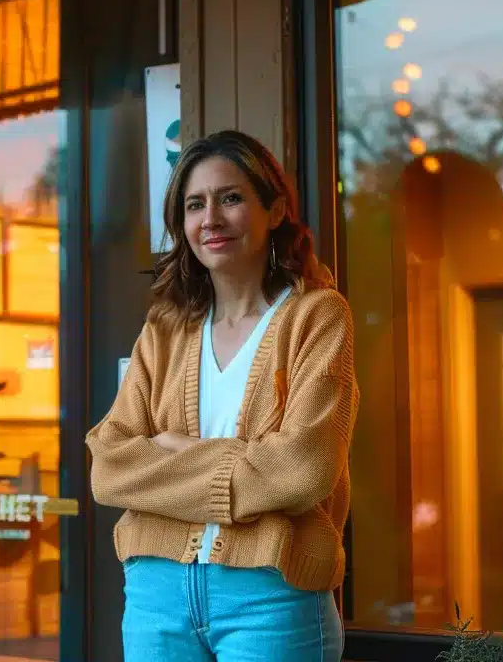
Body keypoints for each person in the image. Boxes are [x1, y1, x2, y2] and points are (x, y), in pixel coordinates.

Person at [86, 129, 357, 661]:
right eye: (194, 204)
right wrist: (249, 461)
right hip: (155, 595)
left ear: (274, 209)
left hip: (268, 597)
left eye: (230, 198)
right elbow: (108, 467)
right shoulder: (164, 329)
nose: (210, 218)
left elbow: (305, 469)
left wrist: (180, 449)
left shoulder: (317, 317)